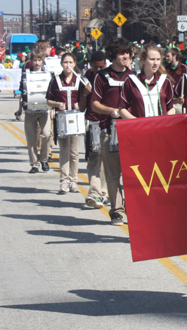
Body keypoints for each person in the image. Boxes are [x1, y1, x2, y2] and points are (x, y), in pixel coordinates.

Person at [92, 37, 132, 225]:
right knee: (113, 173)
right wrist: (111, 111)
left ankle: (133, 208)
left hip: (131, 131)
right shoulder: (101, 76)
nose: (126, 56)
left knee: (133, 173)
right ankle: (116, 210)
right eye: (121, 53)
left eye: (127, 53)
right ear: (113, 56)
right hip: (109, 130)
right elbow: (94, 104)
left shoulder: (134, 76)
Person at [45, 53, 82, 194]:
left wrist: (80, 104)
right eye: (65, 62)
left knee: (74, 152)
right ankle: (64, 181)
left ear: (74, 64)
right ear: (61, 64)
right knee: (64, 150)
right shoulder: (55, 80)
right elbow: (48, 100)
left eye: (70, 62)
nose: (68, 65)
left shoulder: (79, 80)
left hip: (76, 119)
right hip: (62, 119)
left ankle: (74, 181)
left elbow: (86, 99)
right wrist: (57, 104)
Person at [78, 50, 109, 209]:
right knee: (93, 158)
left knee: (105, 160)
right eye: (97, 67)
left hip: (106, 123)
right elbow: (81, 107)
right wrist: (85, 94)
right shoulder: (84, 80)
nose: (100, 70)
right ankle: (95, 192)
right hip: (92, 122)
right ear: (91, 65)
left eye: (103, 66)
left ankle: (103, 193)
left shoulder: (107, 77)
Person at [119, 45, 174, 118]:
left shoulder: (165, 81)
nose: (155, 63)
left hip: (161, 127)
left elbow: (170, 108)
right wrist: (137, 122)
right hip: (140, 128)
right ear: (143, 60)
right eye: (152, 59)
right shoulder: (131, 81)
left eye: (158, 59)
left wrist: (167, 122)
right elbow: (122, 109)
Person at [22, 51, 52, 173]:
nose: (37, 63)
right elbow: (23, 91)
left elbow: (51, 92)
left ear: (42, 61)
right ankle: (34, 164)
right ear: (31, 61)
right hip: (30, 111)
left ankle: (44, 159)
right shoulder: (26, 75)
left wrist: (52, 109)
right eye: (35, 60)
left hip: (44, 111)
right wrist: (20, 108)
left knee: (46, 134)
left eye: (39, 60)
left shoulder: (48, 75)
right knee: (31, 139)